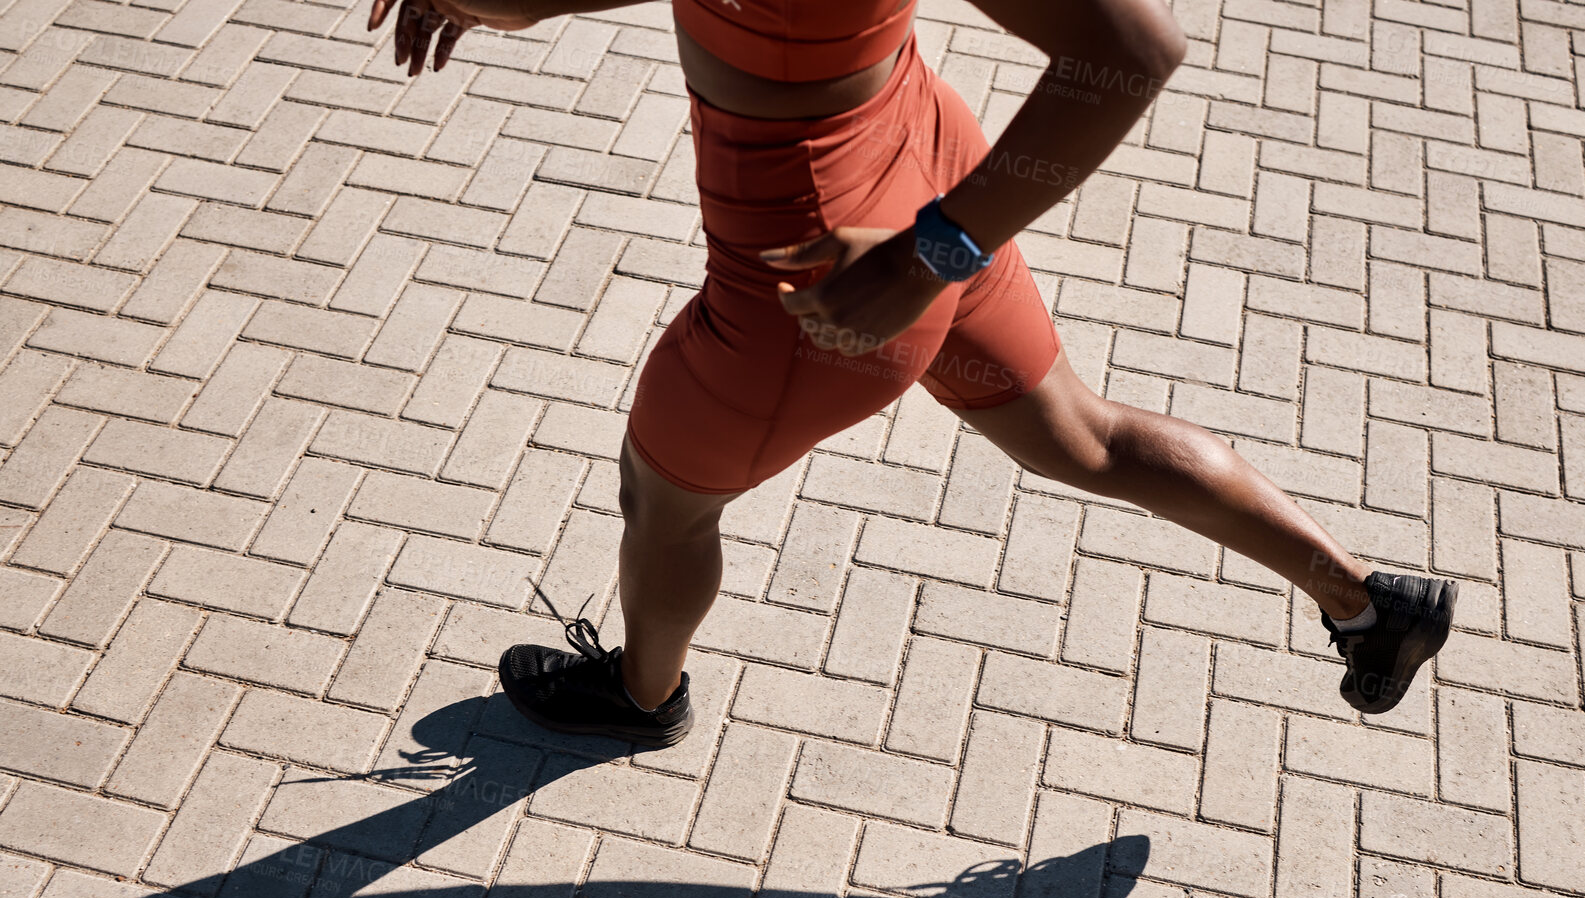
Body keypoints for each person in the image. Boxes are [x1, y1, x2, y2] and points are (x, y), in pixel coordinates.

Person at [370, 0, 1456, 749]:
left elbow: (1133, 52)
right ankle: (1363, 603)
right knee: (1085, 437)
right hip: (920, 160)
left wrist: (929, 255)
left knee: (660, 501)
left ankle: (640, 695)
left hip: (814, 281)